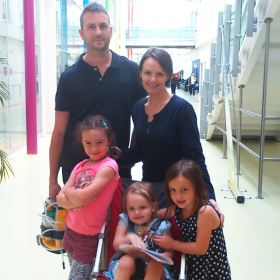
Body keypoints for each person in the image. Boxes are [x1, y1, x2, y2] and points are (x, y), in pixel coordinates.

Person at [49, 2, 147, 202]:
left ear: (110, 30)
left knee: (115, 228)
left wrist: (128, 156)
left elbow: (141, 122)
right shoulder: (69, 78)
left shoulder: (130, 71)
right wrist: (52, 178)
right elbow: (59, 132)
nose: (98, 32)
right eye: (91, 27)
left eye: (103, 26)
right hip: (77, 171)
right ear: (81, 33)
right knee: (79, 230)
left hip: (115, 167)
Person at [114, 48, 223, 223]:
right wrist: (120, 154)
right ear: (140, 74)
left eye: (159, 74)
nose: (152, 79)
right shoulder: (137, 110)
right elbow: (143, 150)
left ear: (168, 76)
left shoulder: (181, 109)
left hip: (177, 193)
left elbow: (194, 156)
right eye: (147, 73)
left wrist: (208, 197)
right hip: (150, 191)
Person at [57, 115, 119, 280]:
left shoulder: (108, 166)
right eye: (88, 143)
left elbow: (82, 197)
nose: (94, 148)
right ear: (82, 142)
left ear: (109, 141)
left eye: (99, 142)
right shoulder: (80, 165)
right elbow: (60, 199)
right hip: (70, 232)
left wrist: (69, 192)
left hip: (88, 237)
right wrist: (74, 195)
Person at [153, 160, 231, 280]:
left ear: (197, 187)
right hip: (194, 266)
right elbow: (156, 215)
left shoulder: (204, 212)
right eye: (173, 190)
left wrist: (171, 244)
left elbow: (200, 248)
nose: (178, 196)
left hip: (211, 269)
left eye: (184, 190)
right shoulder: (178, 208)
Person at [103, 182, 174, 280]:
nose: (137, 212)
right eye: (131, 208)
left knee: (155, 264)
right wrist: (129, 237)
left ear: (153, 207)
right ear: (126, 209)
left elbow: (170, 252)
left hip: (152, 267)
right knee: (126, 260)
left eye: (142, 207)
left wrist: (159, 257)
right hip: (128, 266)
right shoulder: (125, 221)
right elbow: (116, 245)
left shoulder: (162, 226)